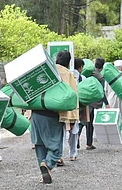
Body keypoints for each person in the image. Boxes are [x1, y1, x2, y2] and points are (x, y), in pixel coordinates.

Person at [31, 50, 76, 183]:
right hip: (52, 114)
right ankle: (48, 164)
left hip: (35, 113)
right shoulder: (67, 74)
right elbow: (73, 98)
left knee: (39, 144)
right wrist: (72, 119)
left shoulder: (43, 70)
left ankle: (44, 172)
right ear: (69, 62)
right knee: (56, 148)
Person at [79, 57, 109, 150]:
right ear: (102, 67)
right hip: (93, 102)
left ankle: (77, 139)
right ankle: (88, 143)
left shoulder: (87, 73)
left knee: (82, 121)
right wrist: (106, 103)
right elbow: (101, 92)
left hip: (84, 99)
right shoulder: (100, 77)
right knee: (88, 122)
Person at [56, 51, 79, 163]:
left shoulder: (52, 71)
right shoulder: (70, 74)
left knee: (58, 134)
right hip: (67, 108)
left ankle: (58, 156)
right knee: (73, 132)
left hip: (52, 107)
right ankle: (72, 154)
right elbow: (74, 94)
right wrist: (74, 113)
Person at [105, 60, 122, 138]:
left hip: (111, 98)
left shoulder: (108, 76)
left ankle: (114, 132)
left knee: (113, 116)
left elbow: (106, 90)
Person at [74, 58, 90, 150]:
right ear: (80, 67)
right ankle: (75, 143)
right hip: (80, 104)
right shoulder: (82, 78)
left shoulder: (69, 75)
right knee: (78, 123)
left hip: (69, 103)